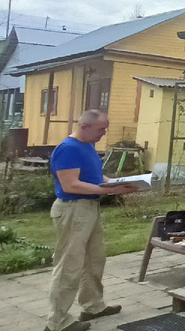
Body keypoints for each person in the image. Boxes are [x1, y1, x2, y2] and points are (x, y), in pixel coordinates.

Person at [45, 110, 137, 331]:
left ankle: (93, 306)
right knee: (69, 265)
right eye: (101, 129)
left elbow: (95, 177)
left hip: (89, 209)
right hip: (73, 210)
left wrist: (115, 183)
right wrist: (108, 191)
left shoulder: (87, 146)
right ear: (84, 126)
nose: (104, 133)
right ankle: (57, 322)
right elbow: (71, 185)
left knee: (94, 260)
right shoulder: (68, 149)